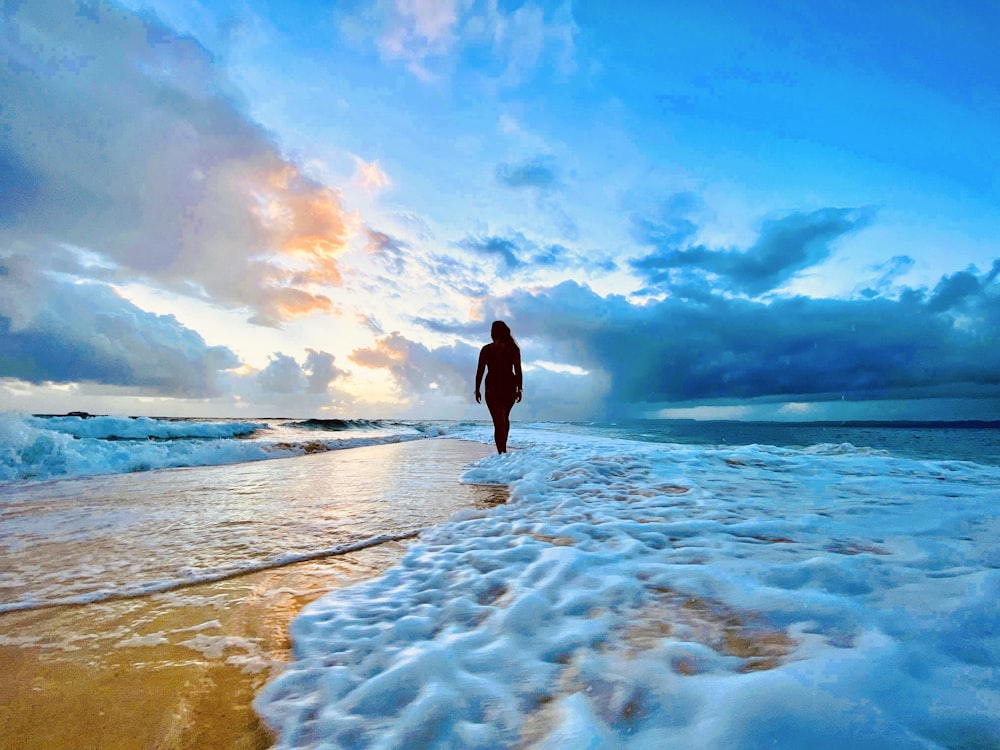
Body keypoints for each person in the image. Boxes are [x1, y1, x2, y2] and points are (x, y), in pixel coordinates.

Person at [474, 320, 522, 454]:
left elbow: (480, 371)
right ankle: (503, 452)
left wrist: (477, 389)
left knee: (498, 421)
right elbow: (518, 370)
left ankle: (502, 452)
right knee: (504, 419)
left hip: (492, 387)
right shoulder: (513, 348)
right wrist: (520, 389)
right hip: (509, 386)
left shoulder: (486, 349)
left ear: (493, 333)